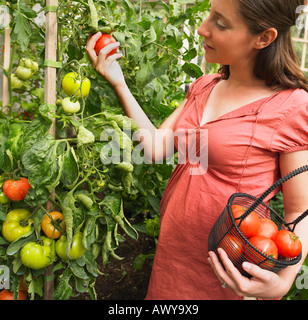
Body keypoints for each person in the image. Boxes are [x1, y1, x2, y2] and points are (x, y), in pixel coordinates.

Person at [86, 0, 308, 300]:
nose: (203, 28)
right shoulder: (206, 85)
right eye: (209, 15)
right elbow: (155, 147)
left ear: (264, 38)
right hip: (173, 252)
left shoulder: (290, 107)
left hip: (224, 269)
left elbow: (300, 211)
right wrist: (119, 83)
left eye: (220, 22)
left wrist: (283, 281)